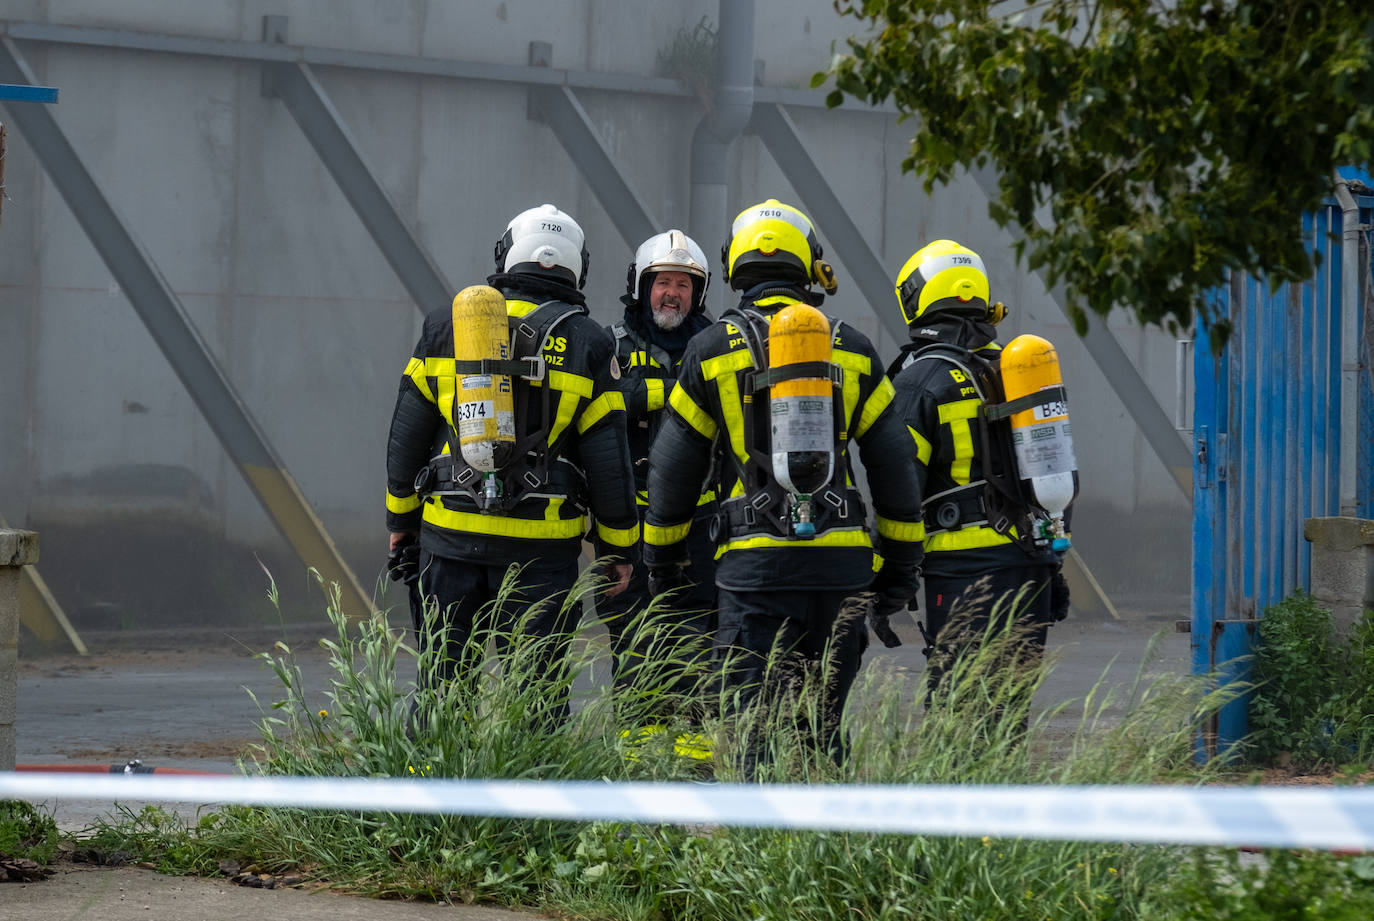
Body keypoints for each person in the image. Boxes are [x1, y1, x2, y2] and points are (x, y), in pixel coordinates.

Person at [643, 199, 923, 771]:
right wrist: (897, 573)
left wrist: (663, 567)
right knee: (824, 730)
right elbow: (895, 468)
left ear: (733, 266)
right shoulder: (853, 349)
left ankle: (758, 854)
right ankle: (833, 851)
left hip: (753, 572)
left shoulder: (709, 351)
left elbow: (672, 472)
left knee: (754, 734)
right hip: (842, 570)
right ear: (809, 265)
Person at [384, 203, 638, 723]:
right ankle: (535, 800)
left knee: (443, 688)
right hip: (540, 552)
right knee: (537, 694)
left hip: (448, 540)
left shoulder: (445, 327)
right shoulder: (591, 343)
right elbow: (608, 462)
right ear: (576, 266)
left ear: (507, 254)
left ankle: (434, 797)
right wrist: (618, 548)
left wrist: (400, 525)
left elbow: (407, 439)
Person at [886, 239, 1072, 707]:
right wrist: (1053, 567)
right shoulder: (1016, 371)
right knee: (1008, 712)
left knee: (959, 715)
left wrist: (889, 579)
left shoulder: (921, 380)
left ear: (920, 298)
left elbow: (899, 490)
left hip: (963, 576)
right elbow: (1055, 472)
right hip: (1032, 564)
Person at [599, 229, 718, 705]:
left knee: (696, 656)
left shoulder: (713, 347)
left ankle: (694, 770)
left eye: (684, 285)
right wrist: (662, 394)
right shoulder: (609, 347)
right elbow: (596, 406)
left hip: (700, 525)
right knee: (632, 652)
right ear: (641, 286)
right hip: (628, 527)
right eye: (663, 282)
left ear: (698, 294)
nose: (672, 293)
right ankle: (638, 767)